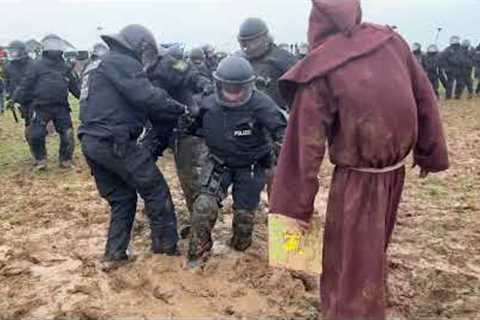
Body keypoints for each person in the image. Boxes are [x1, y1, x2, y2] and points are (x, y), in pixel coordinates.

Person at [269, 1, 449, 320]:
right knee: (372, 247)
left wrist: (294, 212)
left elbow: (302, 149)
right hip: (395, 172)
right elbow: (425, 97)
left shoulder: (321, 67)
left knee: (349, 262)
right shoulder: (391, 41)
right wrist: (430, 153)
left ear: (317, 22)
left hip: (357, 180)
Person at [79, 25, 187, 269]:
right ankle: (166, 251)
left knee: (122, 198)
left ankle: (114, 254)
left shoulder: (96, 64)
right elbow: (146, 96)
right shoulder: (122, 62)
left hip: (91, 142)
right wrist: (181, 109)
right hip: (114, 141)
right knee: (156, 190)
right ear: (141, 47)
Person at [187, 56, 286, 267]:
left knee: (243, 222)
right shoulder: (207, 103)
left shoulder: (262, 104)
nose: (233, 94)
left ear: (248, 85)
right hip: (218, 162)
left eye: (238, 88)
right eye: (228, 88)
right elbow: (191, 128)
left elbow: (284, 133)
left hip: (251, 166)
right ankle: (198, 254)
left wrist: (278, 157)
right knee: (203, 207)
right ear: (219, 84)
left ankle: (239, 246)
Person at [146, 41, 213, 238]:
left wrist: (203, 83)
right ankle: (155, 216)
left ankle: (198, 225)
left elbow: (191, 74)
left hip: (184, 125)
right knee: (141, 167)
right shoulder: (136, 67)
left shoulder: (169, 63)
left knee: (190, 177)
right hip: (160, 126)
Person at [12, 35, 80, 170]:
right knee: (36, 134)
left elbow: (74, 86)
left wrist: (84, 97)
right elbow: (26, 83)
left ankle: (65, 160)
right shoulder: (36, 65)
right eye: (51, 44)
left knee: (68, 133)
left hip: (61, 106)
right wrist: (15, 98)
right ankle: (40, 160)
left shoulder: (65, 67)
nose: (53, 48)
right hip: (40, 106)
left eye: (56, 44)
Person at [237, 17, 297, 111]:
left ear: (265, 38)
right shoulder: (240, 62)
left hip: (278, 117)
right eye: (244, 44)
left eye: (254, 42)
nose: (250, 47)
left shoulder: (284, 60)